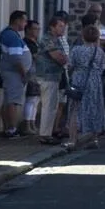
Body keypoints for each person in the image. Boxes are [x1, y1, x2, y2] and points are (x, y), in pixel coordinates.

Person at [66, 25, 105, 148]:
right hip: (94, 81)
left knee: (75, 109)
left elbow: (70, 65)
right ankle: (94, 139)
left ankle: (72, 140)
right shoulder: (99, 51)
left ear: (83, 37)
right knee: (94, 108)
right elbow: (102, 67)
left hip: (79, 80)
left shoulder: (76, 50)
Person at [0, 11, 31, 138]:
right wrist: (23, 73)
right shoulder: (11, 36)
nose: (26, 24)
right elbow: (16, 58)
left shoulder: (10, 34)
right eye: (24, 21)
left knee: (9, 100)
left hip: (11, 72)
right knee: (12, 101)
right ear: (17, 21)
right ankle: (11, 129)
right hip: (13, 73)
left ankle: (9, 128)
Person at [35, 17, 69, 145]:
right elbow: (58, 57)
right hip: (47, 76)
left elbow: (63, 56)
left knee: (53, 106)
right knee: (48, 106)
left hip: (55, 76)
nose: (63, 28)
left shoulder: (58, 40)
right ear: (52, 27)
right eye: (60, 26)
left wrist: (64, 58)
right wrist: (64, 58)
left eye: (63, 25)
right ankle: (44, 134)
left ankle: (48, 133)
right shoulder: (47, 39)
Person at [21, 20, 42, 135]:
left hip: (38, 74)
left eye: (38, 29)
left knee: (36, 100)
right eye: (35, 29)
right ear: (28, 30)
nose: (37, 31)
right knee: (31, 99)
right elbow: (36, 57)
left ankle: (33, 123)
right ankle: (27, 124)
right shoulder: (27, 43)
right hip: (31, 74)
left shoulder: (36, 42)